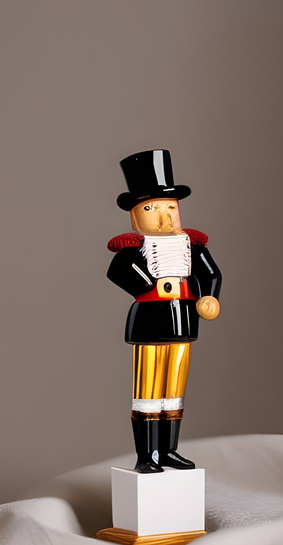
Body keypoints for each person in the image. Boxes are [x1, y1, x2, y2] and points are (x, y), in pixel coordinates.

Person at [107, 149, 222, 473]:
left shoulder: (193, 245)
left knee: (173, 391)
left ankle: (168, 450)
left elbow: (210, 274)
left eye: (170, 207)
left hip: (182, 319)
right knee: (148, 392)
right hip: (149, 320)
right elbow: (118, 270)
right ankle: (147, 455)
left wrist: (209, 297)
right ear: (134, 216)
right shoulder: (133, 247)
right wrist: (145, 282)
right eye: (151, 208)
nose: (164, 216)